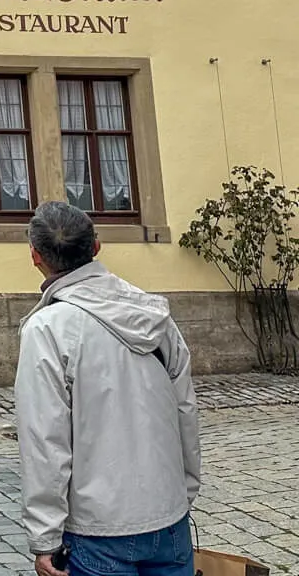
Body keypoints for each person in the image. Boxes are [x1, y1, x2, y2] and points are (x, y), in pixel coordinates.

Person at [16, 202, 200, 576]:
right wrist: (184, 490)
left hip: (97, 528)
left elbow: (44, 440)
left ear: (35, 256)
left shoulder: (48, 329)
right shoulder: (153, 314)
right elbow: (185, 410)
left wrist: (45, 537)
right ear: (96, 247)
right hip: (168, 516)